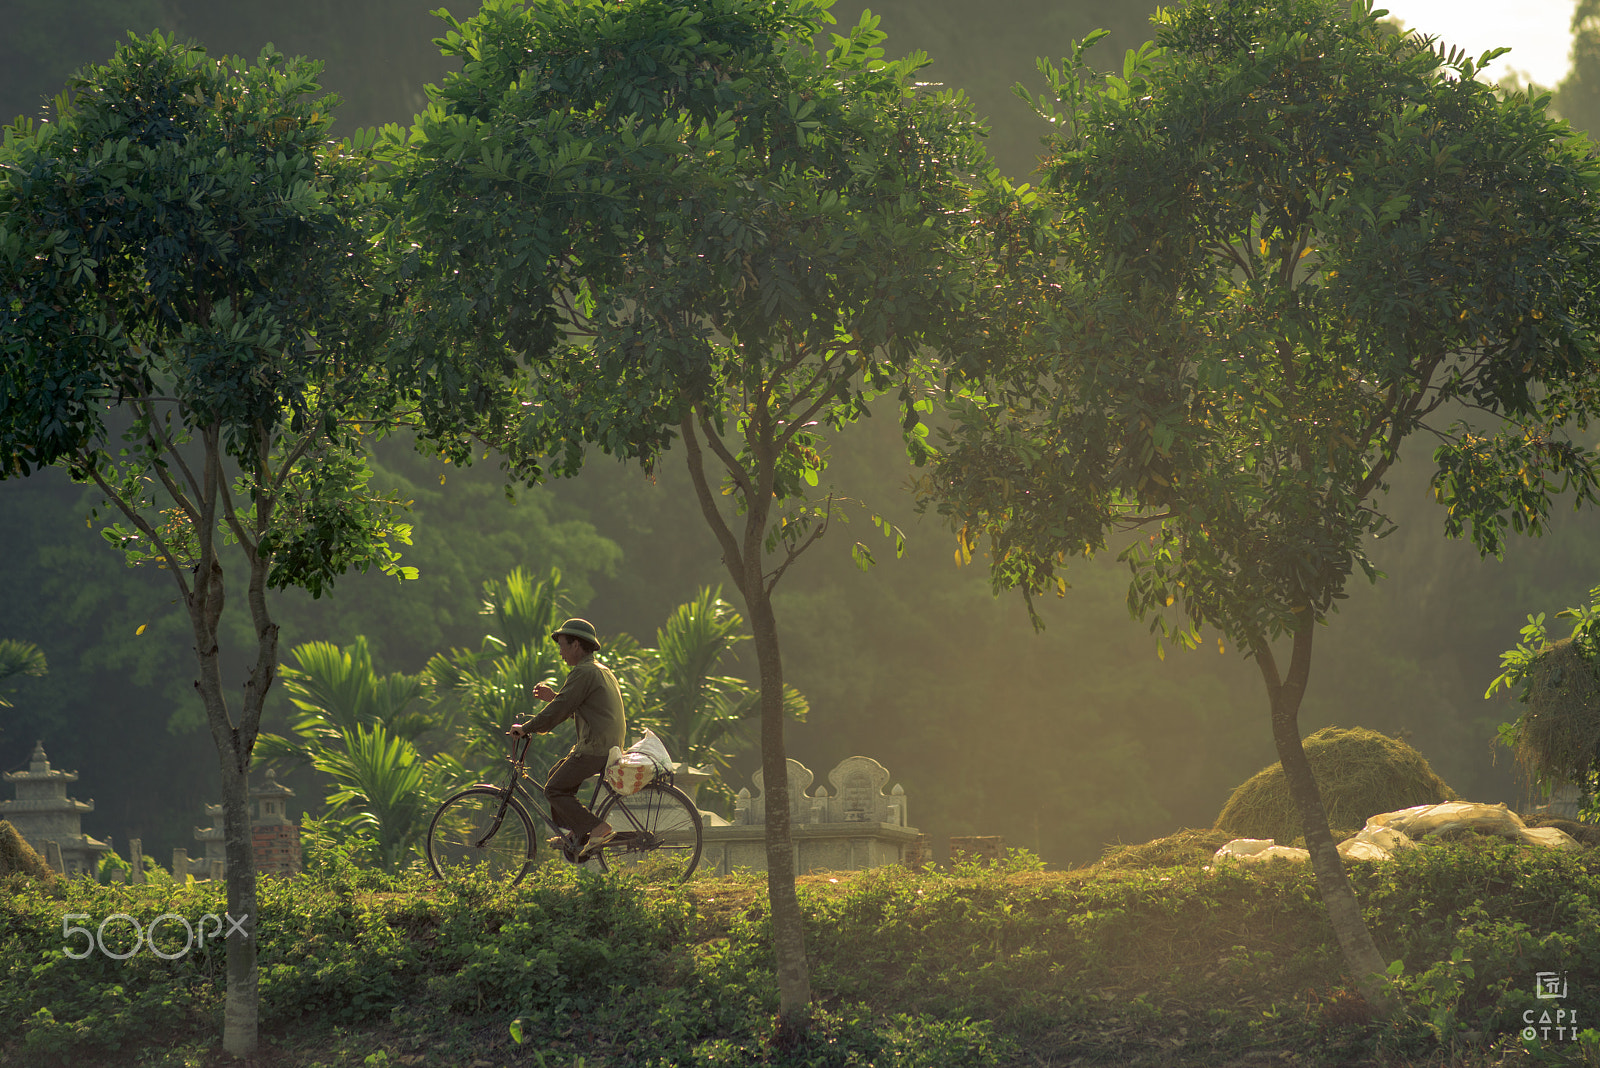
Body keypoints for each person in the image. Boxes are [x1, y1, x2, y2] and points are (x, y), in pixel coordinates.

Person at [509, 618, 627, 861]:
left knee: (553, 789)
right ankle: (579, 831)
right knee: (556, 776)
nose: (561, 653)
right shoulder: (598, 670)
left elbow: (561, 709)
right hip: (606, 744)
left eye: (562, 646)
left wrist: (526, 728)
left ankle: (597, 828)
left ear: (576, 645)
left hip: (596, 747)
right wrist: (554, 697)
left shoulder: (583, 672)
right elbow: (577, 707)